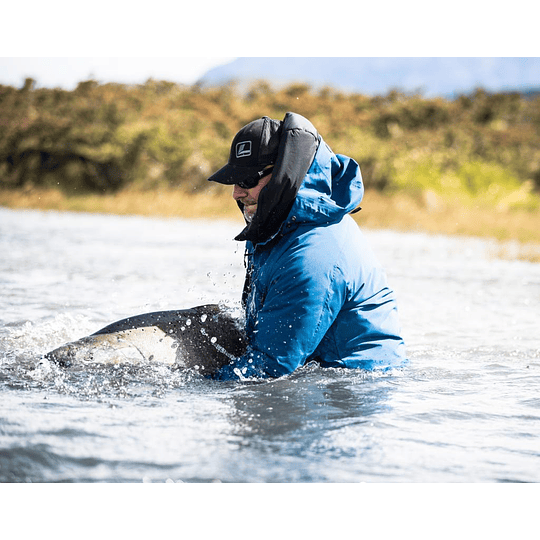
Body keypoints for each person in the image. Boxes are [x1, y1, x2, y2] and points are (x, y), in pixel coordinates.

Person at [207, 112, 407, 380]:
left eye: (246, 181)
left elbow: (268, 369)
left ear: (283, 173)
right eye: (234, 182)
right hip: (315, 373)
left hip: (355, 389)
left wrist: (193, 393)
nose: (237, 193)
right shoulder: (277, 226)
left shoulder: (312, 257)